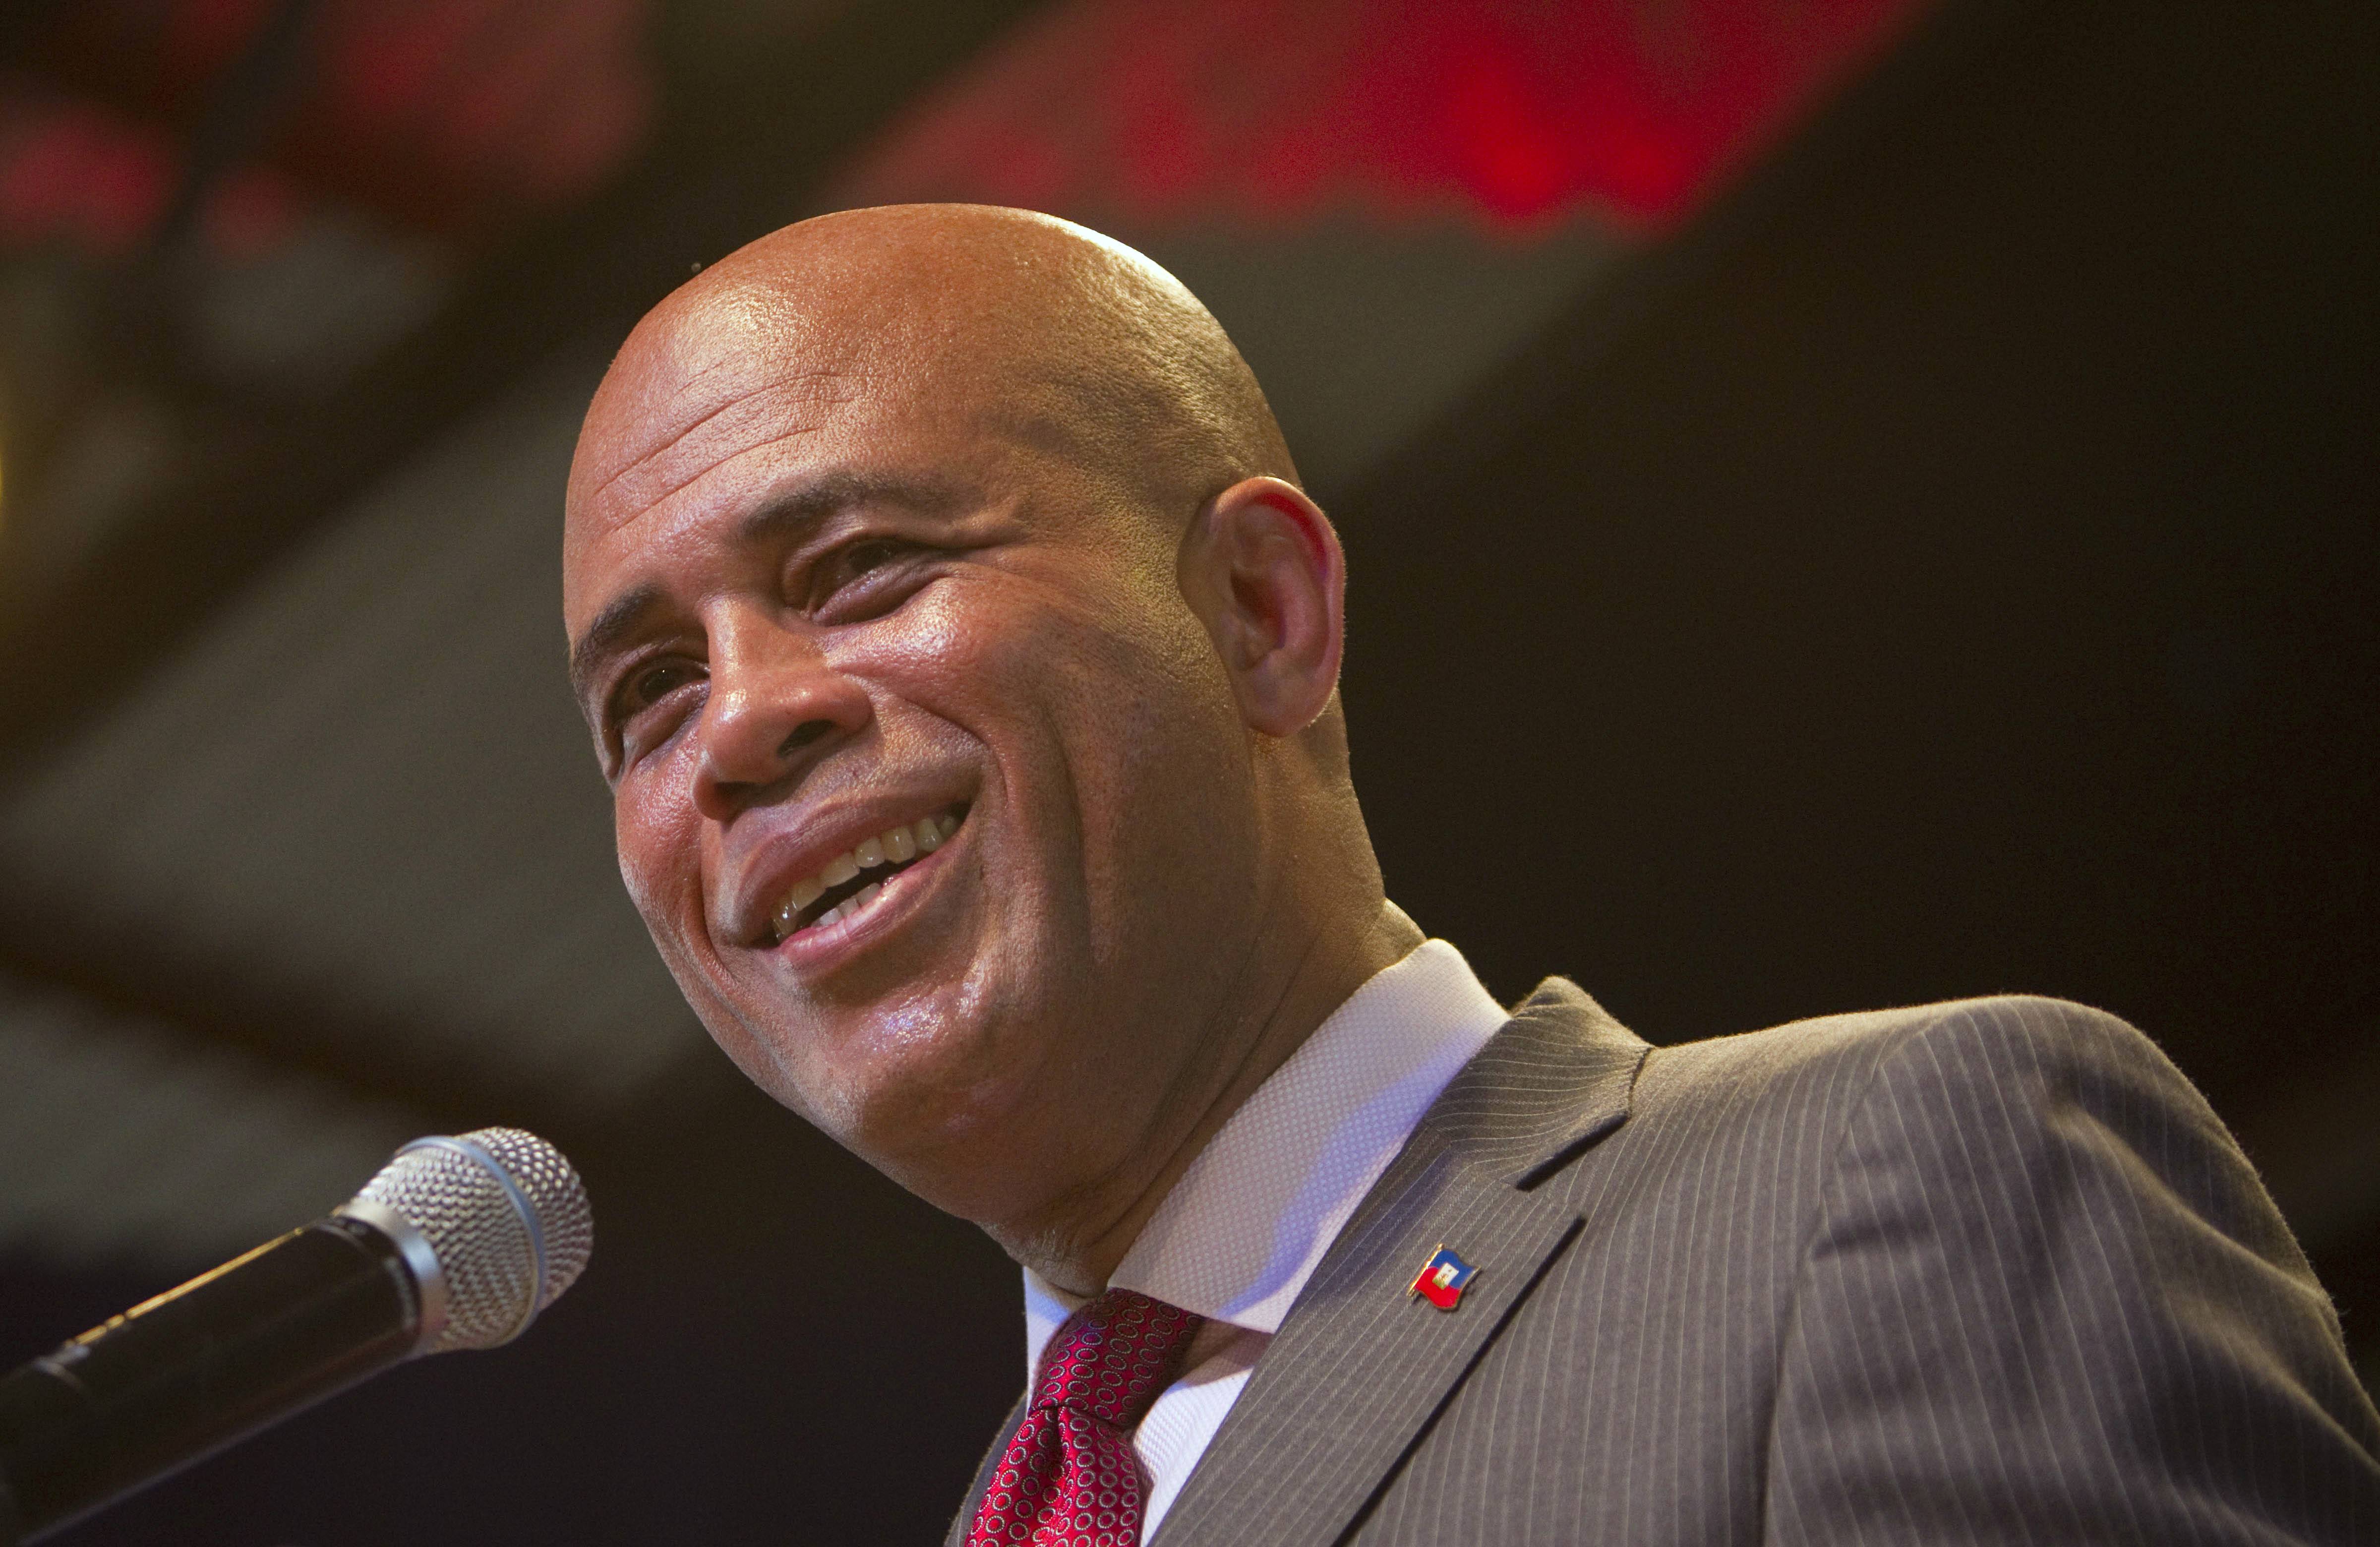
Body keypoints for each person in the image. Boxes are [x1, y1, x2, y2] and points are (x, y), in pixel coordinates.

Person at [561, 203, 2380, 1545]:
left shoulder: (1879, 1198)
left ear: (1262, 616)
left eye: (863, 567)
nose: (736, 729)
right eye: (650, 694)